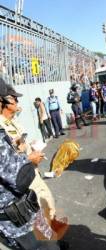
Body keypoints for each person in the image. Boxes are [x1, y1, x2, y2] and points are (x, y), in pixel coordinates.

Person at [0, 79, 64, 249]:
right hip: (19, 221)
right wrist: (29, 159)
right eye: (13, 98)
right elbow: (19, 177)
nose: (17, 101)